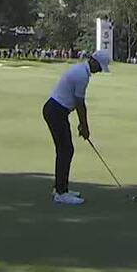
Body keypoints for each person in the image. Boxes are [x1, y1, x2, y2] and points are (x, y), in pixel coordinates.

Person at [42, 49, 111, 205]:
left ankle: (61, 188)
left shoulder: (81, 70)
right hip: (56, 111)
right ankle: (61, 193)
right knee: (66, 150)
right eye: (100, 67)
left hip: (56, 110)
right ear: (94, 62)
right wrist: (84, 127)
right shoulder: (82, 75)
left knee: (64, 150)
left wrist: (82, 125)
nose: (99, 71)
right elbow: (80, 104)